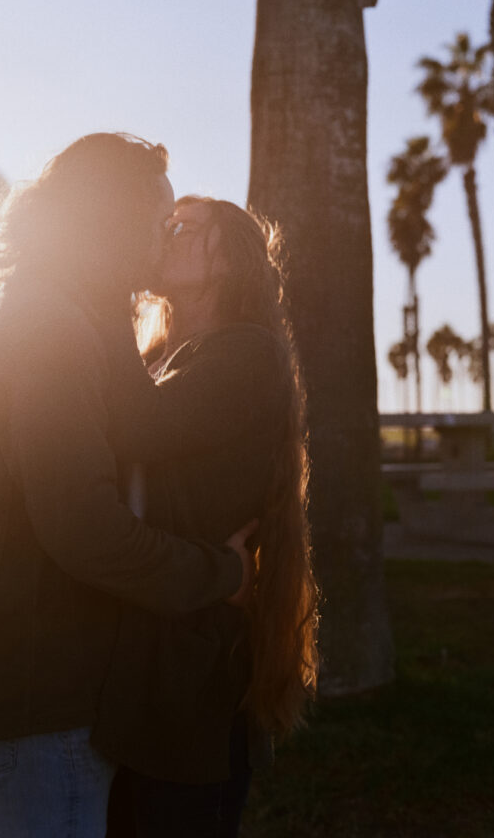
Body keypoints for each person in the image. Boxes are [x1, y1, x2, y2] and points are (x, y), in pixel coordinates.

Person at [0, 135, 256, 838]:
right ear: (113, 221)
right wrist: (221, 573)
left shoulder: (16, 306)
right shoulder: (55, 331)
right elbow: (85, 529)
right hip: (33, 699)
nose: (167, 239)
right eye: (159, 222)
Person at [93, 196, 320, 837]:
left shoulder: (250, 353)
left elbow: (135, 428)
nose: (164, 234)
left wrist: (106, 284)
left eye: (184, 227)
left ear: (231, 261)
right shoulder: (163, 353)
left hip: (196, 668)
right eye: (164, 224)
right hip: (147, 654)